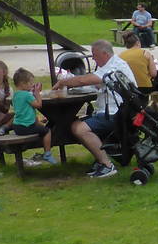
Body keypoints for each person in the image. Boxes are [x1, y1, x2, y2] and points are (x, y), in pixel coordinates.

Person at [55, 39, 134, 180]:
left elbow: (83, 80)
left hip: (116, 113)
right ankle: (101, 160)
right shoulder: (114, 64)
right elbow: (96, 84)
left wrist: (63, 82)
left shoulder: (113, 67)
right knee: (73, 123)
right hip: (117, 111)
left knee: (80, 129)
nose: (93, 58)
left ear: (105, 54)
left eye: (95, 55)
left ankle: (107, 165)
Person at [9, 67, 55, 168]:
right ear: (22, 84)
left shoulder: (15, 95)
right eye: (30, 83)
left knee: (40, 126)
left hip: (17, 126)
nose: (32, 85)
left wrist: (33, 93)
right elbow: (38, 105)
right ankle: (47, 154)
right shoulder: (27, 95)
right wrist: (37, 93)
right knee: (47, 131)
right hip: (27, 126)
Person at [118, 30, 157, 97]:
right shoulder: (145, 53)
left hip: (128, 87)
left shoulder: (120, 56)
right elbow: (153, 74)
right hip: (144, 87)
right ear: (138, 42)